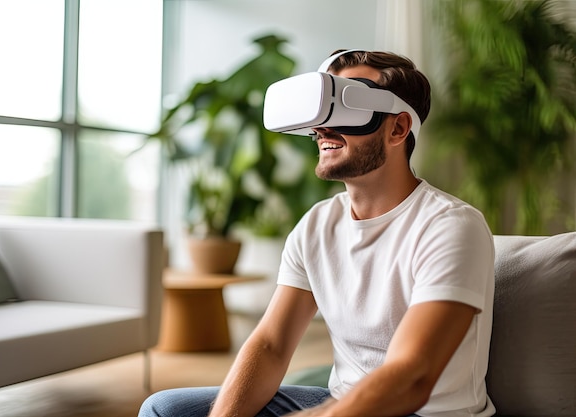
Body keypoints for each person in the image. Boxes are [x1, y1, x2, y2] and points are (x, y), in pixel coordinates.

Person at [139, 50, 496, 417]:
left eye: (346, 106)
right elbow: (271, 345)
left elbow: (413, 376)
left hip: (424, 413)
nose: (322, 128)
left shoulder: (450, 226)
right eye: (322, 109)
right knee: (164, 409)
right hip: (341, 402)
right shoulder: (317, 224)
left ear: (398, 128)